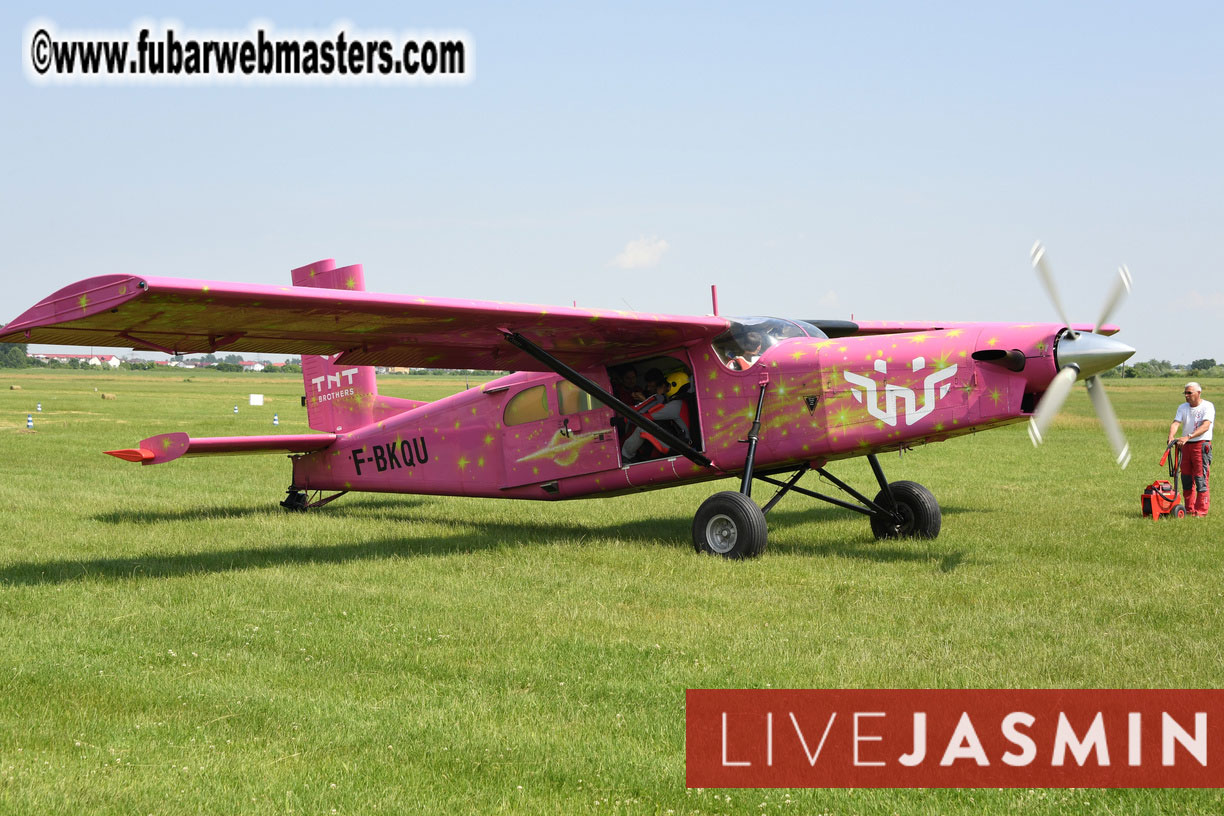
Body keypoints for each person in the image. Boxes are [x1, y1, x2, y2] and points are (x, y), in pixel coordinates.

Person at [621, 369, 690, 463]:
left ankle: (625, 457)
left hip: (680, 447)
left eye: (667, 386)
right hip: (680, 443)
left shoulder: (675, 406)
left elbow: (647, 417)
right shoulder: (680, 402)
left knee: (643, 428)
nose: (665, 389)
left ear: (675, 385)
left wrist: (623, 420)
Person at [1168, 381, 1213, 517]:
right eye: (1185, 393)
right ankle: (1189, 509)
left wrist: (1188, 436)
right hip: (1185, 446)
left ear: (1199, 393)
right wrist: (1171, 436)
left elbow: (1205, 426)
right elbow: (1176, 423)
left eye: (1189, 393)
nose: (1186, 395)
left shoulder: (1207, 406)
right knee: (1186, 478)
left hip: (1201, 445)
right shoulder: (1182, 407)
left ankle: (1201, 511)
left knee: (1200, 478)